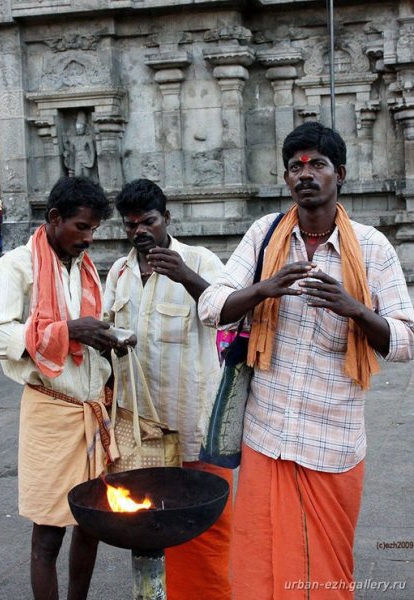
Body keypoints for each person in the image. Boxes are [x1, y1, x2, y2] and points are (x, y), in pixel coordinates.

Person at [198, 122, 414, 599]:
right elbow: (212, 305)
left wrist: (354, 309)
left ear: (340, 174)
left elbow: (405, 340)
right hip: (265, 435)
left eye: (317, 164)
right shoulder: (265, 234)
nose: (306, 174)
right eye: (296, 167)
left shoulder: (374, 248)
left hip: (331, 444)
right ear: (286, 178)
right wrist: (263, 289)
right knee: (258, 569)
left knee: (326, 578)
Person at [0, 176, 132, 600]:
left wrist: (109, 340)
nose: (88, 239)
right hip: (51, 413)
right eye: (81, 228)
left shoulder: (83, 268)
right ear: (54, 219)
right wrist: (66, 331)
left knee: (91, 523)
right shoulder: (15, 267)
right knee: (48, 532)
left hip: (91, 408)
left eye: (94, 230)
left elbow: (88, 330)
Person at [103, 178, 232, 600]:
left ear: (167, 219)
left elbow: (229, 316)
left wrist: (187, 276)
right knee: (150, 524)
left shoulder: (200, 259)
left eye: (149, 222)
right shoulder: (119, 273)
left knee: (207, 529)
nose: (140, 231)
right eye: (130, 224)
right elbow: (107, 333)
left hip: (192, 427)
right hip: (139, 432)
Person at [63, 111, 97, 180]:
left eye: (81, 128)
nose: (79, 130)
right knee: (77, 177)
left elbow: (92, 151)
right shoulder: (73, 139)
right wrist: (67, 152)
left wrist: (91, 162)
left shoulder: (88, 138)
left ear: (84, 128)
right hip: (77, 159)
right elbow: (71, 150)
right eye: (77, 128)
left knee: (87, 177)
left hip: (85, 159)